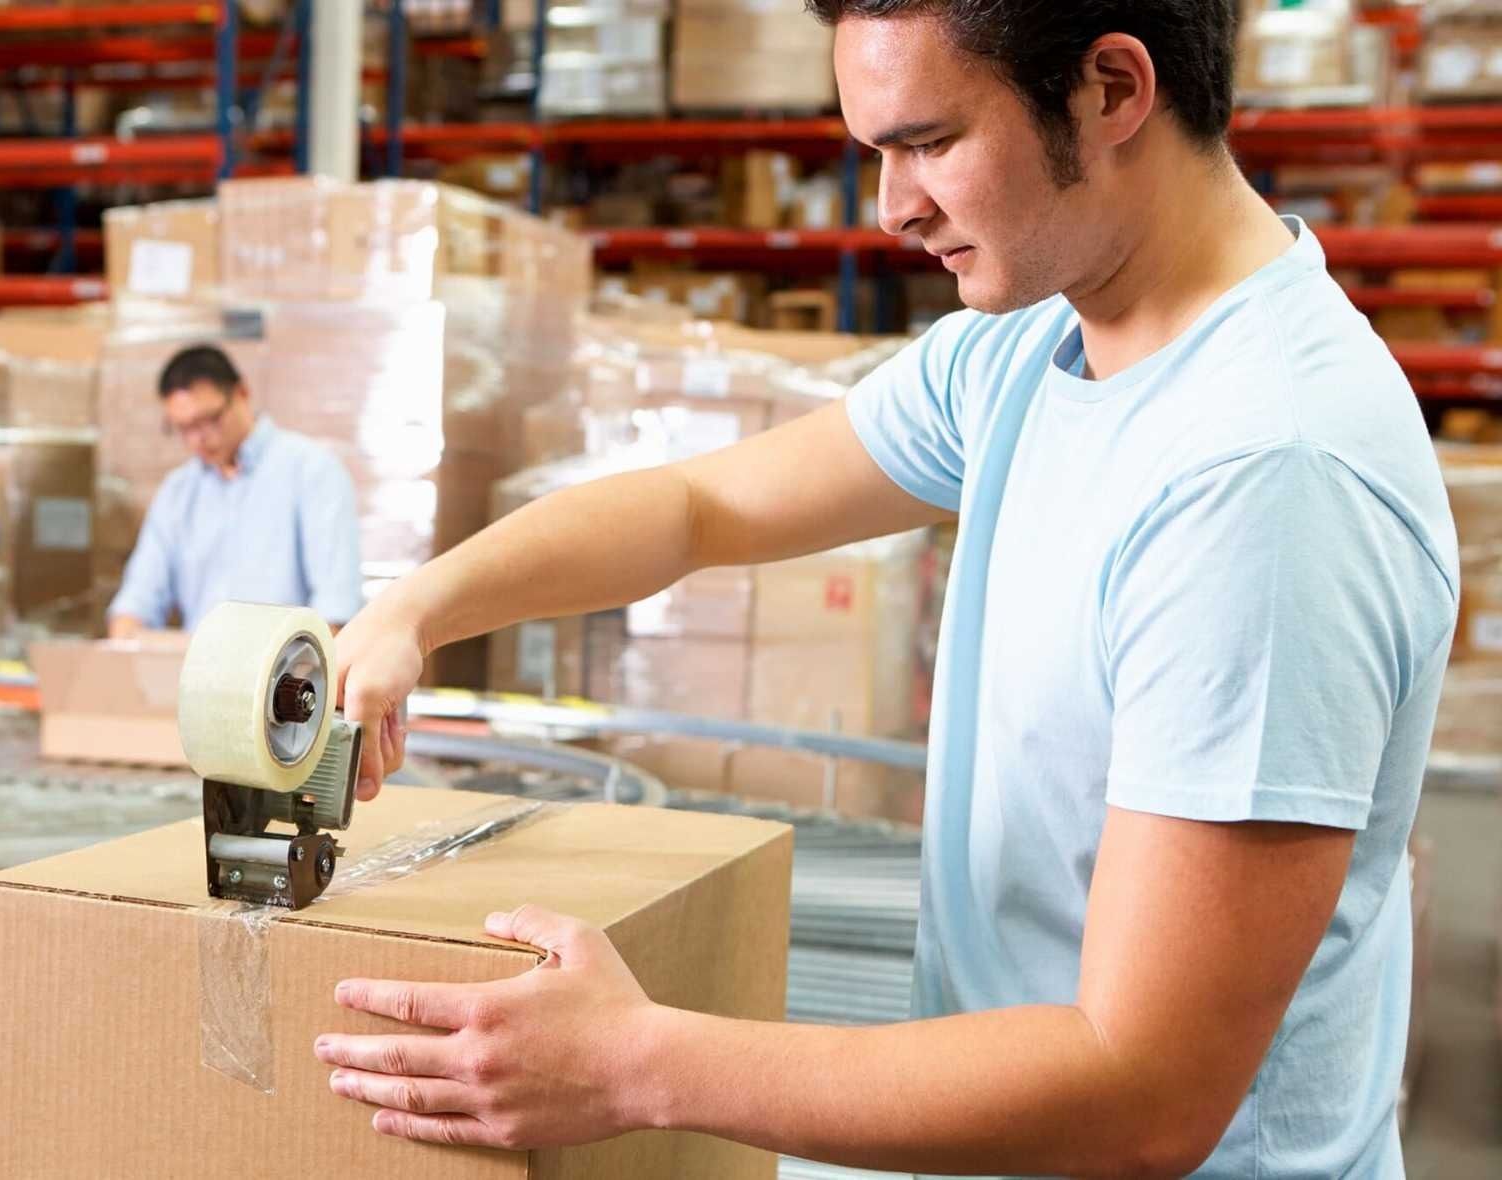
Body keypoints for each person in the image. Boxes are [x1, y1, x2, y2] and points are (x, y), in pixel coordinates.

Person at [312, 3, 1458, 1176]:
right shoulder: (1028, 347)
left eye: (930, 142)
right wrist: (419, 607)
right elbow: (699, 507)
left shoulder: (1264, 480)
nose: (892, 206)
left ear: (1112, 90)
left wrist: (636, 1064)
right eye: (876, 154)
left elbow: (1142, 1093)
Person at [106, 345, 364, 637]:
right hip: (197, 675)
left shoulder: (312, 472)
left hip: (286, 676)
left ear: (241, 393)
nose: (198, 439)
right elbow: (137, 600)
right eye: (184, 428)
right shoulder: (178, 492)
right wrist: (125, 643)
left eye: (210, 420)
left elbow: (336, 608)